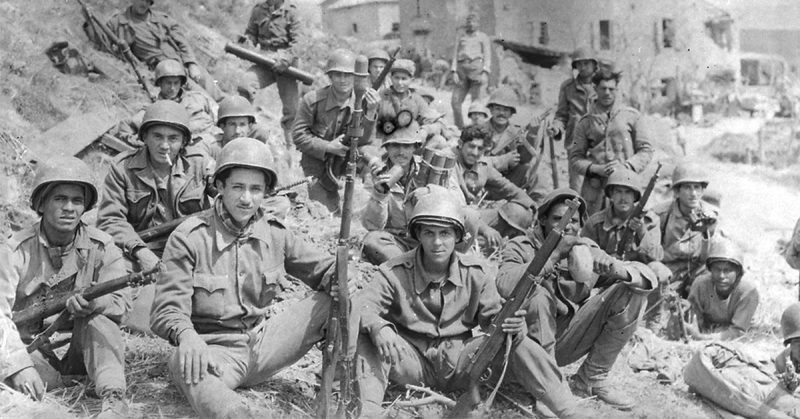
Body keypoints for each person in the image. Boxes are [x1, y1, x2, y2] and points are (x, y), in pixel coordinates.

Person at [150, 138, 346, 418]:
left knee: (335, 301)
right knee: (183, 360)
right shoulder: (189, 238)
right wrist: (187, 336)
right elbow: (166, 309)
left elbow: (324, 269)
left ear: (266, 192)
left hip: (263, 346)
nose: (246, 199)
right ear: (220, 186)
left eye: (256, 189)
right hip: (214, 354)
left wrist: (339, 280)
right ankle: (235, 413)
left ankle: (337, 395)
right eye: (238, 187)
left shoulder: (275, 232)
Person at [354, 191, 588, 418]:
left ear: (458, 237)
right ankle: (369, 411)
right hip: (410, 363)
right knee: (368, 336)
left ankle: (569, 411)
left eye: (445, 233)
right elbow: (364, 304)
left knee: (519, 341)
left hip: (462, 363)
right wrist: (378, 327)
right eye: (429, 233)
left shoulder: (475, 273)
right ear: (418, 234)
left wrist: (514, 328)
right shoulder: (394, 271)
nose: (437, 242)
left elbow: (494, 319)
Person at [496, 188, 657, 411]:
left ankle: (592, 378)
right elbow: (504, 284)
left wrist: (616, 269)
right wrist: (552, 256)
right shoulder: (521, 246)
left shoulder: (584, 248)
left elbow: (647, 277)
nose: (566, 226)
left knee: (629, 290)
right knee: (538, 295)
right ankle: (547, 389)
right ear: (542, 220)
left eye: (573, 221)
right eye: (557, 219)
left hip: (566, 337)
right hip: (525, 347)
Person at [0, 157, 130, 418]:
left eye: (77, 200)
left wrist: (96, 304)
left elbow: (123, 305)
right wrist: (19, 367)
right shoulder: (15, 250)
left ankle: (114, 401)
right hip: (33, 358)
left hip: (81, 357)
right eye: (60, 199)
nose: (69, 208)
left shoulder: (102, 247)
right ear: (42, 203)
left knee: (101, 320)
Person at [97, 100, 209, 332]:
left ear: (184, 142)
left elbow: (225, 191)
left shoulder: (198, 165)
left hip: (190, 253)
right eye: (157, 136)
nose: (165, 145)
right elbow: (110, 220)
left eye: (173, 138)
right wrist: (141, 252)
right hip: (138, 254)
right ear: (144, 137)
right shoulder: (123, 168)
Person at [292, 48, 380, 212]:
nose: (343, 79)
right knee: (324, 211)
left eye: (348, 75)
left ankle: (372, 198)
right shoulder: (312, 100)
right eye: (338, 74)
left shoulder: (365, 100)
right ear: (330, 76)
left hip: (348, 158)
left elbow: (366, 140)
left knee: (371, 154)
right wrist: (328, 147)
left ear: (355, 77)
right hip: (318, 163)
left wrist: (371, 112)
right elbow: (298, 135)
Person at [569, 68, 653, 215]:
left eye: (611, 89)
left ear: (617, 89)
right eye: (603, 88)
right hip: (595, 190)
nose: (607, 93)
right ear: (595, 89)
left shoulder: (632, 116)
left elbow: (646, 150)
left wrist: (626, 166)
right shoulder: (585, 122)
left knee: (628, 227)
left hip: (626, 185)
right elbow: (575, 159)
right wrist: (596, 169)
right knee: (592, 230)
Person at [107, 0, 224, 101]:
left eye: (148, 1)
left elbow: (182, 42)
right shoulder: (119, 22)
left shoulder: (162, 19)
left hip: (182, 61)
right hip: (165, 69)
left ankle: (231, 112)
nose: (144, 4)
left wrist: (192, 64)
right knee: (200, 95)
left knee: (211, 86)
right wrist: (87, 25)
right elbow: (100, 39)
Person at [453, 124, 536, 239]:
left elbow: (507, 188)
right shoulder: (448, 162)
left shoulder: (482, 166)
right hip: (452, 216)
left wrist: (532, 206)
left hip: (473, 215)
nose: (475, 153)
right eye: (471, 146)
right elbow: (455, 207)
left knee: (521, 212)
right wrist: (485, 229)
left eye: (480, 149)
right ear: (461, 144)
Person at [238, 0, 302, 147]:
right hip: (265, 61)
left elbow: (298, 43)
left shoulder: (291, 12)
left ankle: (292, 147)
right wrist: (247, 40)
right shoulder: (258, 10)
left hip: (287, 66)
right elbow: (251, 34)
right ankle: (244, 130)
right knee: (246, 84)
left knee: (291, 110)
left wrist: (285, 59)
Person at [580, 168, 666, 275]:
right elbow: (584, 252)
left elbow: (656, 256)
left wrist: (642, 232)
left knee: (659, 269)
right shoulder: (595, 223)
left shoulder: (650, 221)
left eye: (628, 192)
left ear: (635, 196)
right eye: (618, 192)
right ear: (611, 195)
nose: (623, 198)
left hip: (638, 277)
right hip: (605, 274)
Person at [116, 59, 219, 145]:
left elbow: (218, 117)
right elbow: (125, 127)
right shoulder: (154, 110)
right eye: (168, 83)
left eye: (176, 83)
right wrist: (144, 146)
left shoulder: (198, 97)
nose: (172, 88)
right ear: (160, 83)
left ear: (181, 83)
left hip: (216, 140)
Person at [653, 162, 721, 291]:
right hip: (668, 271)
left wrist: (706, 234)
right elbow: (650, 253)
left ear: (702, 191)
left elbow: (716, 255)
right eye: (688, 188)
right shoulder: (661, 214)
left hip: (697, 271)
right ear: (677, 192)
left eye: (697, 187)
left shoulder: (711, 216)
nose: (693, 193)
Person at [686, 239, 758, 340]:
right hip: (707, 331)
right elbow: (693, 319)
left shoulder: (748, 292)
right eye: (717, 269)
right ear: (710, 269)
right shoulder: (700, 285)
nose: (721, 276)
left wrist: (703, 338)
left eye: (727, 270)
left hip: (731, 339)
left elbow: (738, 332)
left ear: (738, 272)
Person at [551, 48, 598, 191]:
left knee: (599, 188)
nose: (583, 67)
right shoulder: (567, 87)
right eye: (579, 64)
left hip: (599, 144)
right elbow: (561, 115)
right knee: (577, 189)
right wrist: (556, 127)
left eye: (586, 63)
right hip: (576, 144)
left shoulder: (602, 87)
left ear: (594, 65)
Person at [375, 59, 447, 148]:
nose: (400, 82)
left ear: (411, 80)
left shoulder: (416, 99)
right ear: (391, 78)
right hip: (386, 144)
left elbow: (437, 122)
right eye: (396, 78)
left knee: (439, 141)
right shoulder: (381, 96)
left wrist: (425, 130)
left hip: (409, 145)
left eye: (404, 79)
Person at [481, 86, 539, 197]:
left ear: (512, 113)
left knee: (529, 170)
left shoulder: (516, 132)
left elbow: (525, 159)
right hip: (484, 180)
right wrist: (504, 161)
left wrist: (532, 134)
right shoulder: (480, 129)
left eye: (506, 110)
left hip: (507, 180)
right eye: (498, 109)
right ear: (491, 109)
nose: (501, 113)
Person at [449, 13, 492, 129]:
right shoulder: (461, 36)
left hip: (477, 71)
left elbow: (487, 55)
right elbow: (454, 54)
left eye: (473, 22)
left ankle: (476, 129)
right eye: (469, 22)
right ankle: (460, 128)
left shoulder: (483, 37)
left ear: (478, 24)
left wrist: (485, 72)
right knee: (455, 101)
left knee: (476, 104)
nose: (471, 24)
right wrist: (454, 71)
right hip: (462, 72)